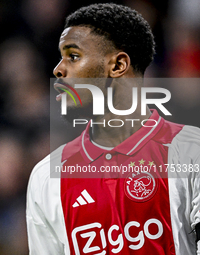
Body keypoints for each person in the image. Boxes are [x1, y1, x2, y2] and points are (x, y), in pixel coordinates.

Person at [26, 3, 200, 255]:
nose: (58, 69)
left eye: (73, 56)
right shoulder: (45, 178)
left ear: (118, 66)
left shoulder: (191, 153)